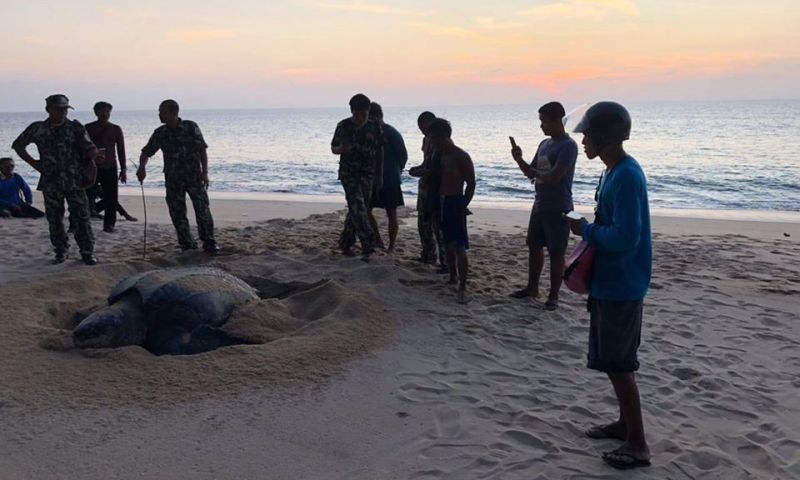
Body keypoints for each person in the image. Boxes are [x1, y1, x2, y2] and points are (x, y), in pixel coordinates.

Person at [566, 101, 652, 470]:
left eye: (587, 135)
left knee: (620, 365)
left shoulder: (627, 174)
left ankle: (638, 444)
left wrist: (584, 229)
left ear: (604, 138)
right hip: (609, 282)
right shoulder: (612, 172)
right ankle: (623, 425)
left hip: (622, 284)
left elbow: (625, 237)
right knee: (613, 362)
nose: (583, 141)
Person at [12, 94, 98, 265]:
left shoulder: (75, 127)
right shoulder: (38, 128)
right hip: (51, 181)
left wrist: (94, 158)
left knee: (82, 216)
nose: (63, 112)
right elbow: (18, 145)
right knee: (55, 218)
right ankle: (61, 250)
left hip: (74, 180)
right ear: (49, 110)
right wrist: (34, 163)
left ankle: (87, 251)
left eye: (65, 109)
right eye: (59, 109)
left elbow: (89, 148)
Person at [509, 102, 578, 310]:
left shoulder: (568, 145)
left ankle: (553, 295)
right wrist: (518, 159)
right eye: (540, 121)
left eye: (544, 121)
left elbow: (555, 176)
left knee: (556, 252)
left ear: (557, 121)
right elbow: (531, 172)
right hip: (539, 204)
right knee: (534, 246)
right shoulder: (544, 144)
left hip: (559, 206)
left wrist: (538, 175)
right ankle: (532, 287)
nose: (542, 126)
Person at [137, 99, 219, 254]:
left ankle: (209, 242)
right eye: (160, 112)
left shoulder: (190, 127)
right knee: (177, 212)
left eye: (163, 112)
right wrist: (142, 167)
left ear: (174, 113)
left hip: (193, 176)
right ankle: (187, 243)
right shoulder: (160, 133)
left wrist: (205, 173)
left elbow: (202, 150)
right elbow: (146, 152)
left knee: (202, 209)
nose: (160, 115)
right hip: (173, 179)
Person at [331, 93, 384, 260]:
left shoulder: (374, 126)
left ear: (368, 111)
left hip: (368, 173)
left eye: (364, 115)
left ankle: (346, 243)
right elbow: (333, 148)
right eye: (357, 114)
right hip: (349, 174)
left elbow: (380, 151)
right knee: (359, 208)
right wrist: (342, 149)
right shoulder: (343, 126)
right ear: (352, 111)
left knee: (357, 209)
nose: (360, 118)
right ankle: (368, 246)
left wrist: (379, 175)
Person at [429, 118, 475, 304]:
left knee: (459, 246)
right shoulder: (438, 155)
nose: (431, 142)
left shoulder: (460, 156)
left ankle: (463, 285)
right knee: (446, 242)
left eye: (433, 138)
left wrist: (463, 204)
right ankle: (453, 276)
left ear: (442, 137)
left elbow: (470, 183)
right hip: (440, 201)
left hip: (454, 201)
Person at [409, 111, 448, 273]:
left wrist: (421, 171)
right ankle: (428, 254)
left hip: (436, 188)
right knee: (423, 224)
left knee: (438, 226)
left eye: (425, 129)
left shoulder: (442, 142)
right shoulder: (426, 141)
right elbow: (427, 163)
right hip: (425, 186)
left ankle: (445, 263)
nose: (424, 133)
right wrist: (417, 170)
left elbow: (437, 168)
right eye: (421, 130)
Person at [367, 102, 408, 253]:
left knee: (391, 213)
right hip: (370, 180)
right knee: (366, 209)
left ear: (376, 117)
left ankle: (391, 245)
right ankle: (377, 239)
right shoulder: (368, 132)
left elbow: (403, 155)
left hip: (390, 179)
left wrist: (398, 169)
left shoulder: (391, 133)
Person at [85, 101, 127, 233]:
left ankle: (109, 225)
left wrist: (123, 169)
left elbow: (121, 150)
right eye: (102, 111)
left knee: (111, 197)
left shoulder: (115, 129)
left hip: (110, 167)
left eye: (107, 111)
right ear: (96, 113)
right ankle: (78, 224)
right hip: (91, 167)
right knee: (86, 197)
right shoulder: (88, 128)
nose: (105, 114)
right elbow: (81, 148)